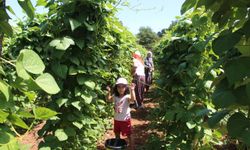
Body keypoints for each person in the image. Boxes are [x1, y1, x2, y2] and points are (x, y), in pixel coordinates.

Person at [106, 77, 136, 150]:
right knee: (117, 133)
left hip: (125, 120)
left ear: (126, 88)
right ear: (116, 88)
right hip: (117, 119)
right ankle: (118, 146)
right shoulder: (115, 96)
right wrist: (108, 92)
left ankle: (132, 147)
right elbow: (108, 99)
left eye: (123, 87)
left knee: (129, 134)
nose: (121, 89)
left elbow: (133, 99)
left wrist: (132, 90)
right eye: (119, 87)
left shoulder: (127, 97)